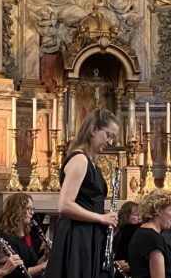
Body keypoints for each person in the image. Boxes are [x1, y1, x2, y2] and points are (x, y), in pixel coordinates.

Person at [46, 109, 120, 278]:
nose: (110, 142)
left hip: (87, 233)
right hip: (77, 235)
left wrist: (105, 222)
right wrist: (101, 218)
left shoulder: (90, 162)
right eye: (108, 135)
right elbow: (64, 205)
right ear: (93, 129)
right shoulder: (79, 159)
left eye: (113, 138)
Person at [0, 193, 48, 278]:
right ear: (17, 211)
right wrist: (43, 266)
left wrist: (45, 256)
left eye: (32, 209)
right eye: (28, 209)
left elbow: (32, 264)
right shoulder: (7, 238)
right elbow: (17, 274)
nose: (32, 213)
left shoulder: (25, 236)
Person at [115, 201, 143, 276]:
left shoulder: (120, 230)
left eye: (140, 215)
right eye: (135, 215)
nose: (139, 218)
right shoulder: (130, 230)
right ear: (126, 215)